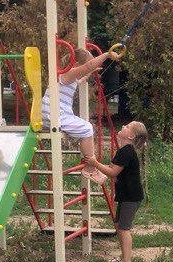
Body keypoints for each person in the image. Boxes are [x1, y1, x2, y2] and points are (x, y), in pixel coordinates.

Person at [41, 46, 118, 183]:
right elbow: (86, 67)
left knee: (85, 129)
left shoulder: (70, 77)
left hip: (55, 114)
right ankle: (90, 168)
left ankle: (91, 165)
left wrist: (90, 72)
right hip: (54, 115)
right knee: (87, 128)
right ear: (76, 65)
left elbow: (83, 77)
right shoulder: (67, 74)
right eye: (84, 67)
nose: (85, 71)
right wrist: (106, 54)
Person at [92, 120, 148, 262]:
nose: (123, 126)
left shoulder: (127, 151)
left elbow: (112, 172)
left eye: (127, 126)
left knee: (124, 228)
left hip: (131, 197)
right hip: (126, 195)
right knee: (118, 225)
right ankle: (124, 258)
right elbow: (114, 172)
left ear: (131, 136)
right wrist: (100, 172)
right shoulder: (123, 150)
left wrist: (95, 163)